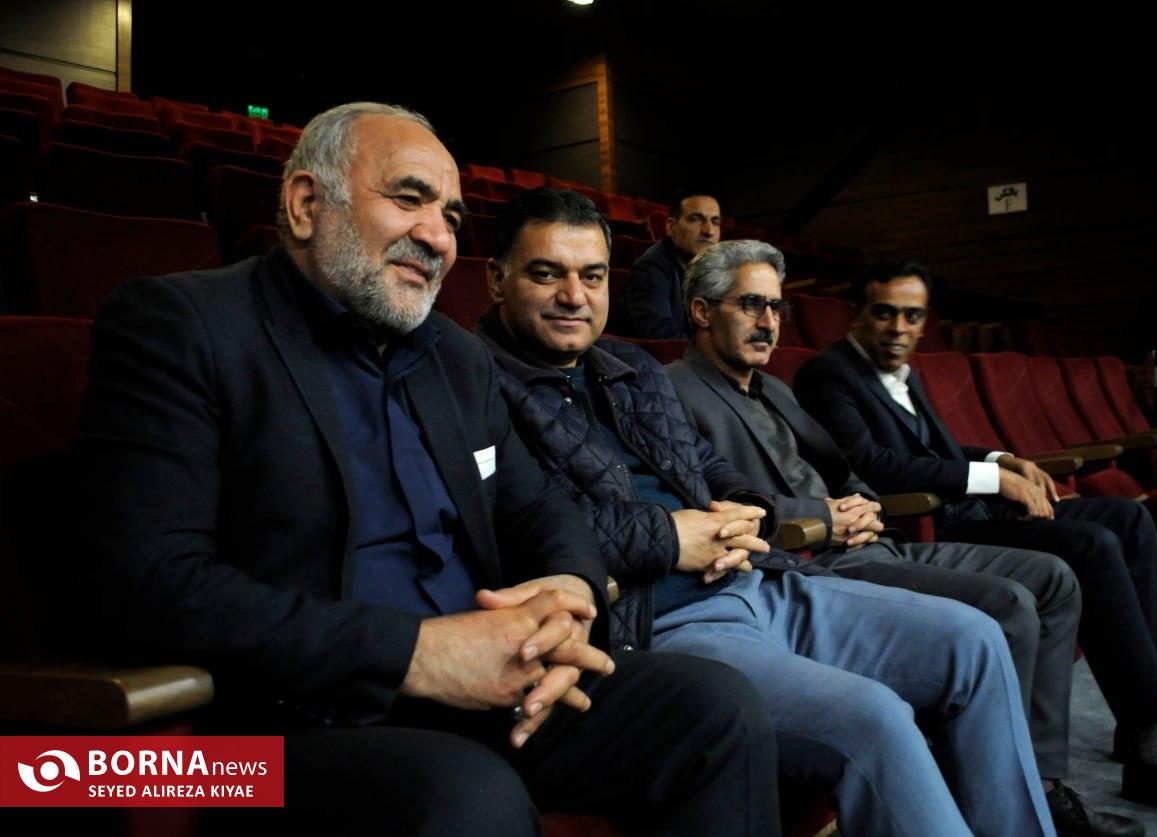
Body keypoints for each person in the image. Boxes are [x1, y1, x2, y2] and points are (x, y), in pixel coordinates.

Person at [75, 102, 784, 836]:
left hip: (487, 690)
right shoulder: (181, 324)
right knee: (466, 795)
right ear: (307, 204)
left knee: (716, 709)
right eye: (409, 198)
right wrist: (416, 654)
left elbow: (539, 509)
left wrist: (570, 594)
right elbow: (144, 583)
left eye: (450, 216)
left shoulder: (455, 355)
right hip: (277, 727)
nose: (439, 236)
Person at [476, 186, 1056, 836]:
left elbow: (702, 461)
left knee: (977, 640)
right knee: (876, 718)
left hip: (763, 577)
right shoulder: (475, 386)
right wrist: (669, 536)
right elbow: (522, 523)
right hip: (662, 620)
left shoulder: (630, 365)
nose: (574, 295)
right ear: (497, 279)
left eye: (592, 275)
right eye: (546, 274)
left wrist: (745, 510)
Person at [666, 238, 1155, 836]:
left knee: (1052, 578)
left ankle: (1039, 779)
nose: (768, 322)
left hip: (871, 537)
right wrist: (823, 515)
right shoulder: (673, 391)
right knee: (1007, 603)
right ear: (701, 311)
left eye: (776, 308)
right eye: (751, 305)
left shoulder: (776, 389)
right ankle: (998, 793)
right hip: (812, 559)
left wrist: (864, 505)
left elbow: (847, 468)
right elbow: (711, 506)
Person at [794, 258, 1157, 827]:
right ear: (856, 315)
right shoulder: (828, 374)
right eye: (885, 313)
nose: (899, 328)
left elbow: (937, 450)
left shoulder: (904, 372)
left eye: (912, 316)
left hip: (967, 507)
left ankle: (1154, 714)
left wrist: (1004, 458)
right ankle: (1153, 746)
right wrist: (995, 480)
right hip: (932, 523)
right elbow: (871, 464)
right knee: (1092, 544)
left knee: (1128, 519)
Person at [625, 187, 720, 337]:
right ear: (671, 227)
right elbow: (661, 337)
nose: (709, 231)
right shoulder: (650, 269)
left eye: (715, 222)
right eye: (695, 219)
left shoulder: (712, 271)